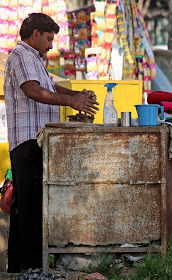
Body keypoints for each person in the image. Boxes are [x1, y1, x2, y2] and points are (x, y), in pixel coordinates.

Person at [4, 13, 99, 273]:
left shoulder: (35, 59)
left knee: (27, 205)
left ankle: (21, 268)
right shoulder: (22, 55)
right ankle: (33, 267)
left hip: (37, 142)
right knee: (31, 206)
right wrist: (71, 102)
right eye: (48, 38)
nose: (51, 45)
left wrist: (77, 96)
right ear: (35, 34)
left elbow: (52, 88)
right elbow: (33, 90)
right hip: (28, 142)